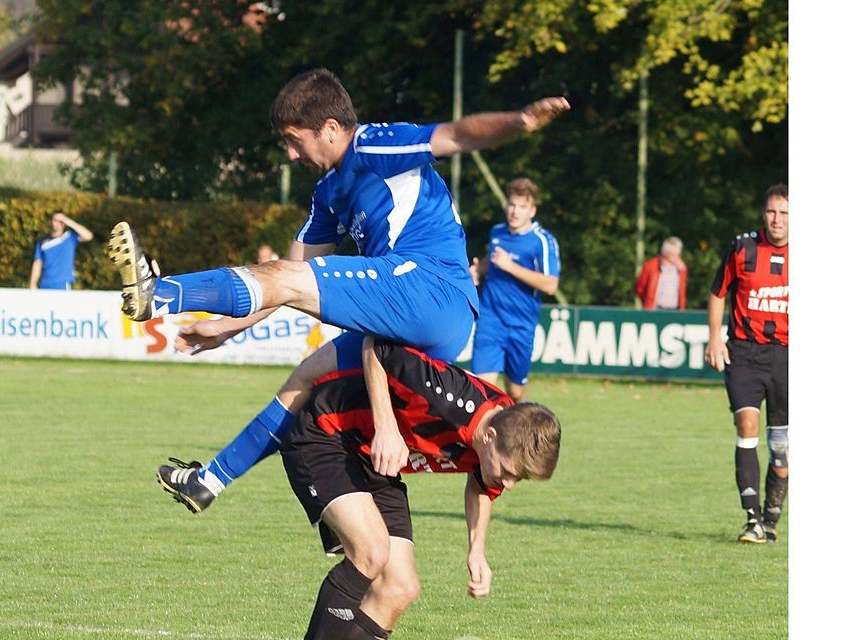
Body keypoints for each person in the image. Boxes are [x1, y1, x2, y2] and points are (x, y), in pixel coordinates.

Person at [108, 68, 569, 513]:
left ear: (329, 128)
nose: (290, 154)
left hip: (433, 291)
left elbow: (457, 135)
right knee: (306, 377)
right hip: (407, 312)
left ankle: (159, 293)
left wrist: (521, 121)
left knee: (290, 287)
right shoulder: (328, 191)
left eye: (294, 140)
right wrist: (230, 327)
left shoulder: (378, 144)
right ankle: (210, 480)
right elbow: (288, 276)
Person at [163, 336, 562, 639]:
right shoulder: (450, 398)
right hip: (326, 435)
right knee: (371, 552)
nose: (508, 483)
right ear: (489, 435)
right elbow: (378, 345)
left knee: (400, 587)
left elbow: (482, 481)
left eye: (518, 479)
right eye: (509, 471)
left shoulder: (505, 432)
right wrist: (387, 425)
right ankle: (213, 477)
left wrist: (477, 550)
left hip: (375, 463)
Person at [704, 184, 788, 544]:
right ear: (763, 213)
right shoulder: (743, 248)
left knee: (782, 447)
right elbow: (717, 291)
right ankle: (752, 519)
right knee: (746, 424)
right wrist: (713, 337)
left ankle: (771, 515)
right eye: (772, 212)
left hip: (787, 357)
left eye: (784, 213)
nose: (777, 220)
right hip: (745, 353)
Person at [469, 177, 560, 403]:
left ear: (532, 210)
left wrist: (511, 267)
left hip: (521, 324)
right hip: (491, 318)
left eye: (522, 207)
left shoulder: (542, 241)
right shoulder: (497, 232)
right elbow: (493, 261)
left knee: (515, 391)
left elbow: (551, 285)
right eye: (512, 204)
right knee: (483, 389)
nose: (515, 211)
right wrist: (477, 270)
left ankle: (526, 422)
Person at [29, 211, 94, 290]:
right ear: (51, 221)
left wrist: (67, 220)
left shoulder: (69, 237)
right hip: (45, 283)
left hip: (63, 283)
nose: (58, 223)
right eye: (55, 220)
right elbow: (38, 262)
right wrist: (33, 283)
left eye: (61, 221)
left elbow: (88, 236)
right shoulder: (42, 241)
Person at [634, 236, 688, 310]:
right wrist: (648, 302)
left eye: (678, 253)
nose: (677, 257)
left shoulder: (681, 269)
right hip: (655, 309)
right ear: (665, 253)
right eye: (673, 254)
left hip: (675, 310)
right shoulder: (650, 266)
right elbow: (640, 288)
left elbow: (682, 292)